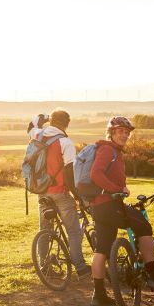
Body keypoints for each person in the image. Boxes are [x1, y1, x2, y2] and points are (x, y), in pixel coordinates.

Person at [87, 116, 154, 306]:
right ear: (111, 132)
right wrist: (117, 189)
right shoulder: (107, 149)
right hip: (110, 205)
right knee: (144, 227)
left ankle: (99, 295)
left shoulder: (111, 150)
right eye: (121, 131)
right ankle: (153, 276)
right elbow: (95, 173)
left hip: (99, 207)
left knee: (102, 249)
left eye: (127, 132)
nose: (125, 135)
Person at [30, 110, 90, 279]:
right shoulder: (66, 142)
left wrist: (45, 118)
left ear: (52, 121)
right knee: (73, 231)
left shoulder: (37, 135)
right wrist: (76, 195)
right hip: (60, 192)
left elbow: (32, 125)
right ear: (67, 123)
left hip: (42, 191)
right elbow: (70, 171)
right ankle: (80, 267)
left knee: (45, 229)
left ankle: (45, 266)